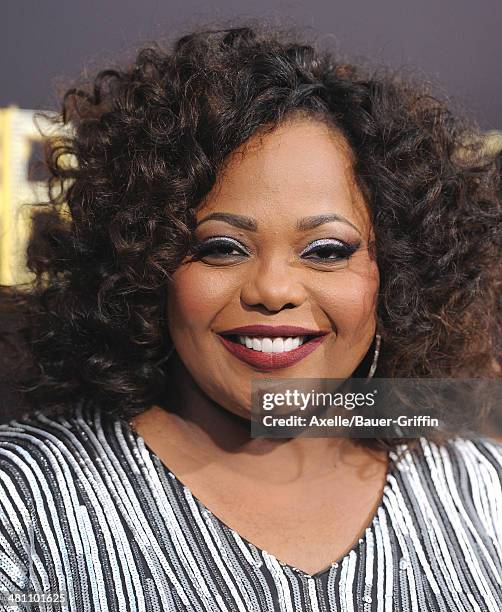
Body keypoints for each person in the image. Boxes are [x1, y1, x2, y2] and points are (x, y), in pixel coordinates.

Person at [1, 22, 501, 612]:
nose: (272, 289)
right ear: (144, 266)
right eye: (221, 247)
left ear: (398, 275)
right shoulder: (23, 507)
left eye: (327, 251)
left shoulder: (483, 488)